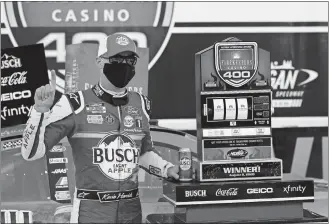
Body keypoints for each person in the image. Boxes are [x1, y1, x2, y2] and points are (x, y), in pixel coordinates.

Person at [21, 33, 179, 224]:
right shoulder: (74, 103)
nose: (124, 65)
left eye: (130, 60)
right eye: (116, 59)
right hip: (91, 210)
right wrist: (39, 111)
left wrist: (166, 168)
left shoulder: (141, 104)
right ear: (99, 61)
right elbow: (31, 153)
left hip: (131, 210)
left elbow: (143, 153)